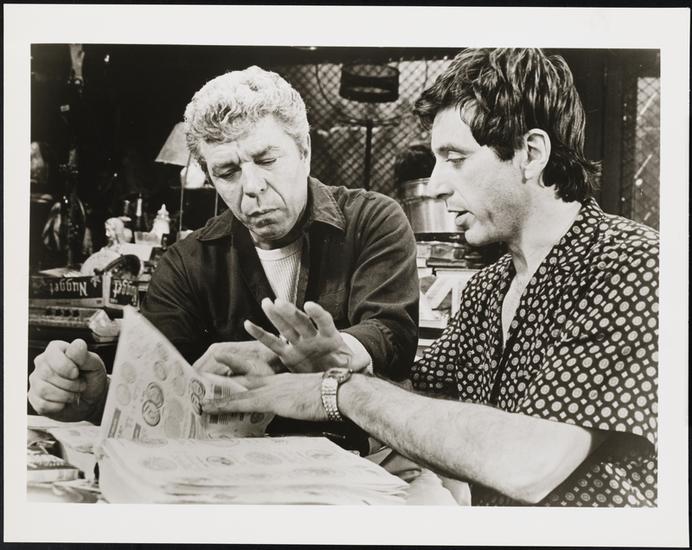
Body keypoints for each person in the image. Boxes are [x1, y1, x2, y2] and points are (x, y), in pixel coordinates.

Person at [201, 48, 659, 506]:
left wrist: (341, 391)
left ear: (531, 154)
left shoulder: (634, 266)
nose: (436, 185)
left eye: (455, 158)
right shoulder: (488, 289)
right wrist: (325, 367)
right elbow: (419, 403)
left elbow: (527, 464)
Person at [27, 66, 420, 451]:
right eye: (228, 172)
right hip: (233, 468)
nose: (252, 187)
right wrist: (96, 397)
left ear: (304, 151)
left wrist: (341, 354)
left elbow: (393, 333)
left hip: (362, 461)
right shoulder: (186, 262)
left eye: (266, 160)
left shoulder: (372, 219)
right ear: (210, 177)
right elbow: (158, 388)